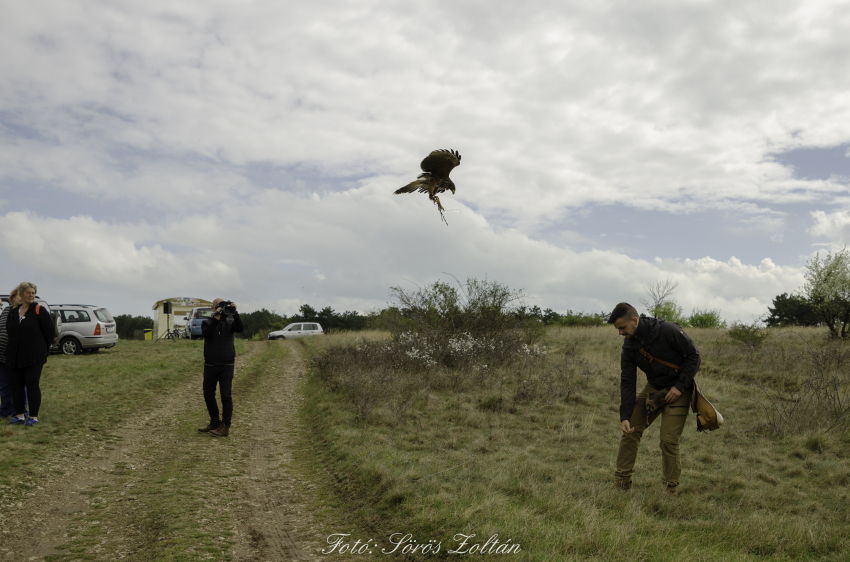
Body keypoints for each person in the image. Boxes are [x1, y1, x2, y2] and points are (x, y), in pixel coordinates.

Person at [608, 302, 700, 496]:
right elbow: (627, 382)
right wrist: (625, 415)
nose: (620, 333)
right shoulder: (629, 348)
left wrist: (679, 386)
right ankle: (622, 483)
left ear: (634, 320)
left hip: (679, 390)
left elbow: (693, 356)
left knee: (668, 441)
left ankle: (669, 489)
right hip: (654, 389)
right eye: (617, 329)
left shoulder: (667, 330)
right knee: (630, 429)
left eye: (622, 328)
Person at [5, 282, 54, 426]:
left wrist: (44, 351)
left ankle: (33, 417)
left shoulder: (39, 310)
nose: (31, 295)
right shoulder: (13, 312)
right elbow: (10, 331)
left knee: (32, 386)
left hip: (34, 357)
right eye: (28, 292)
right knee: (16, 386)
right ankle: (19, 417)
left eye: (33, 293)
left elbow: (50, 332)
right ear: (21, 294)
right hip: (14, 357)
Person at [197, 298, 243, 437]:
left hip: (227, 364)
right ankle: (215, 422)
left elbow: (240, 328)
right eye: (218, 307)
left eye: (223, 307)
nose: (221, 310)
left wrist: (235, 313)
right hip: (210, 364)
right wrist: (215, 318)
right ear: (213, 308)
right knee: (208, 394)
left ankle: (225, 427)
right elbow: (207, 334)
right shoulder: (207, 322)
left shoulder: (230, 323)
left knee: (226, 395)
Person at [0, 288, 28, 419]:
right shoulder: (6, 310)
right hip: (1, 355)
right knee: (4, 386)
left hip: (17, 356)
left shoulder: (26, 312)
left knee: (19, 385)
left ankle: (21, 412)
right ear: (13, 297)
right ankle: (5, 411)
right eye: (19, 295)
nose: (21, 298)